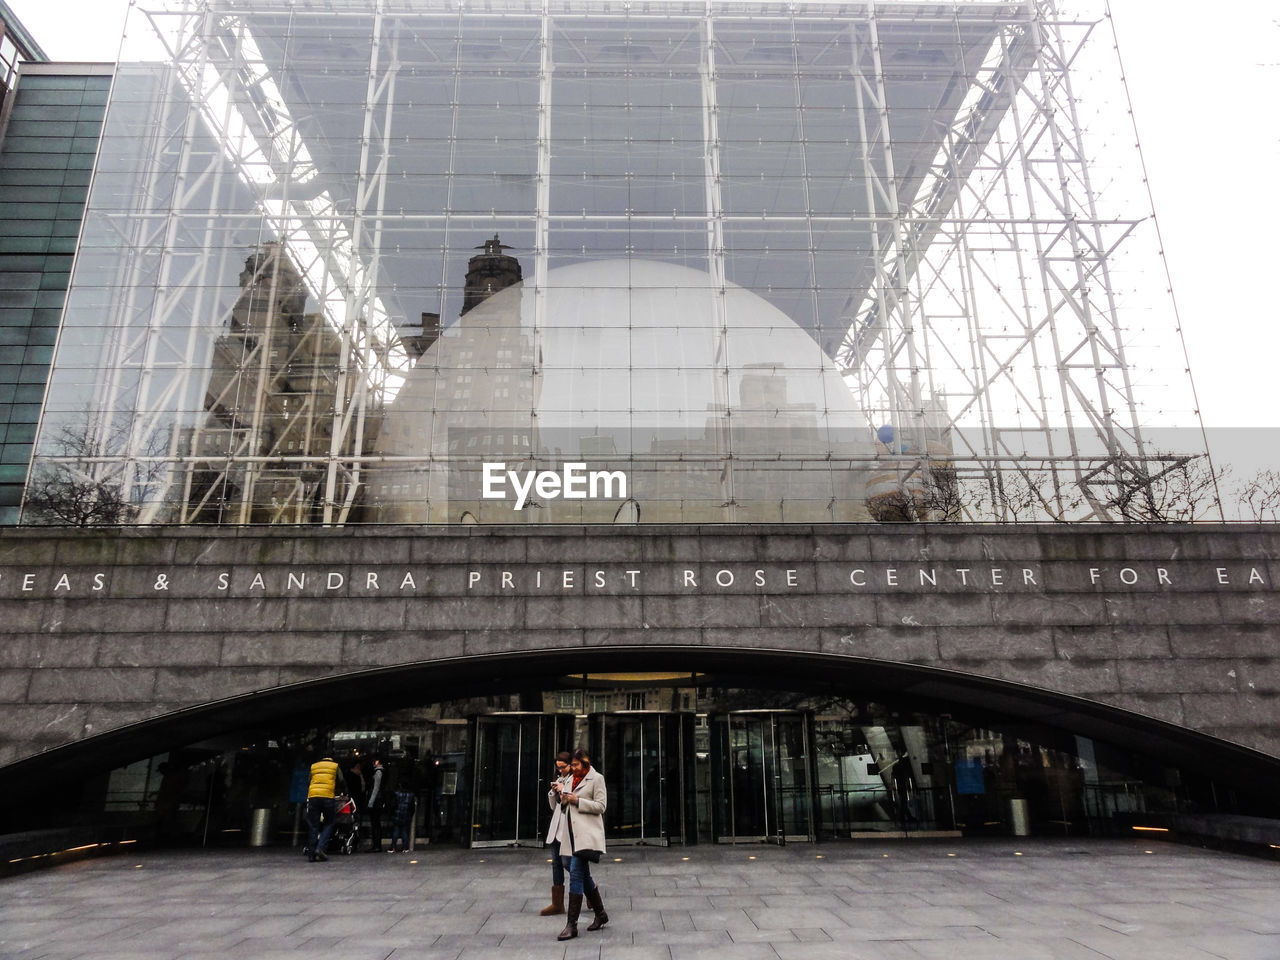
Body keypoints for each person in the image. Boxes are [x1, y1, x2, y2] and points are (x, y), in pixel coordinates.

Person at [553, 748, 609, 940]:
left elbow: (601, 806)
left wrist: (577, 800)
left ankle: (571, 925)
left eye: (576, 765)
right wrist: (561, 795)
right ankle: (601, 914)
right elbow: (562, 806)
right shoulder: (570, 779)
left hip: (586, 835)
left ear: (585, 763)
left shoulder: (597, 778)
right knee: (573, 868)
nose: (573, 768)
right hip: (570, 834)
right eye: (573, 765)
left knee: (576, 873)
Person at [539, 751, 573, 916]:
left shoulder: (575, 779)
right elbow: (554, 807)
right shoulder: (560, 779)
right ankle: (557, 903)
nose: (560, 770)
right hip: (556, 827)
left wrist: (563, 789)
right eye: (558, 767)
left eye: (563, 767)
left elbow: (572, 801)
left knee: (568, 863)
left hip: (568, 827)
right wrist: (553, 792)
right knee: (556, 864)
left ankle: (590, 889)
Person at [304, 754, 344, 862]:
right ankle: (320, 848)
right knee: (329, 822)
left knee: (313, 825)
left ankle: (311, 854)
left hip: (313, 797)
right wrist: (342, 791)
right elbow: (341, 780)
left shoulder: (314, 766)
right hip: (327, 797)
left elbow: (308, 781)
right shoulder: (335, 766)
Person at [389, 780, 416, 853]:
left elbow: (393, 805)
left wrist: (392, 813)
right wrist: (410, 814)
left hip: (397, 814)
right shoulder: (411, 795)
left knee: (396, 831)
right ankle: (405, 847)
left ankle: (393, 847)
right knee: (404, 832)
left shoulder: (397, 793)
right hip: (406, 815)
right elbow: (412, 807)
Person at [366, 757, 385, 852]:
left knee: (375, 823)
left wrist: (371, 802)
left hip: (376, 801)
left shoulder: (378, 772)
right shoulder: (380, 771)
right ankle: (377, 845)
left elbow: (376, 788)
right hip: (378, 800)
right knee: (376, 823)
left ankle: (376, 845)